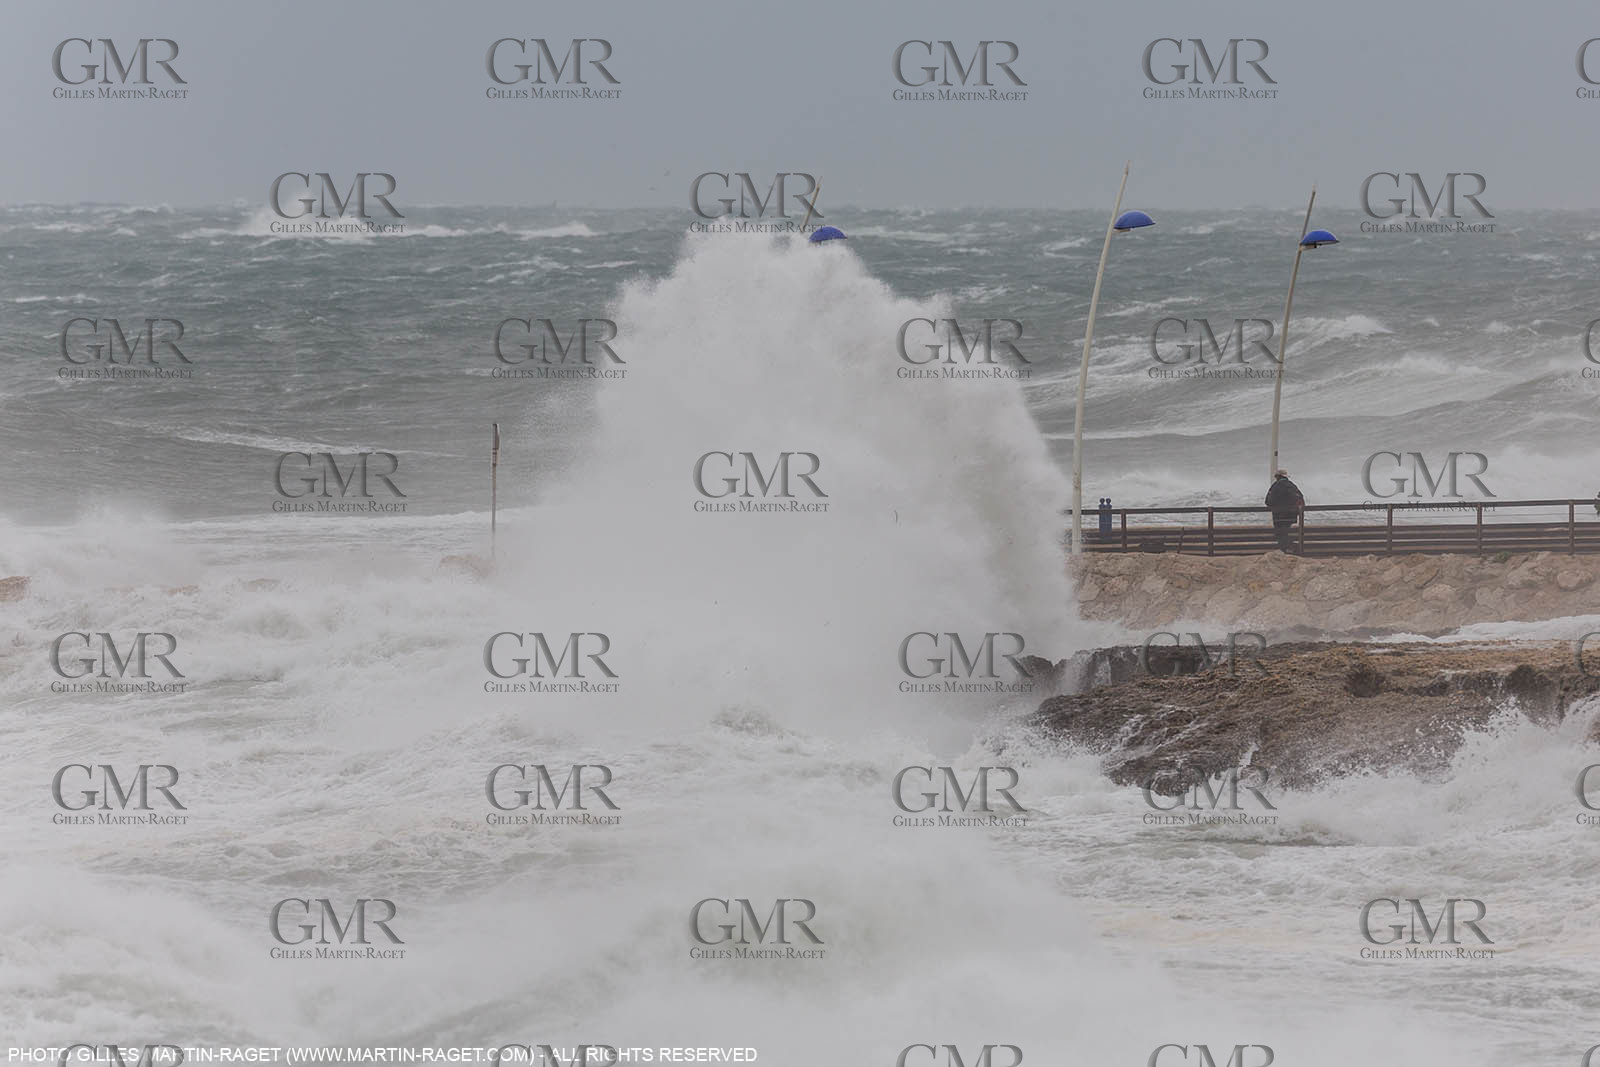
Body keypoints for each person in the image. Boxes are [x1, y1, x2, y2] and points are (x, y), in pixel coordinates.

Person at [1265, 470, 1305, 553]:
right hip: (1291, 515)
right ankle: (1289, 548)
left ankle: (1286, 549)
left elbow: (1268, 501)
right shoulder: (1292, 486)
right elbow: (1300, 499)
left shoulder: (1275, 486)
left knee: (1280, 534)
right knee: (1285, 532)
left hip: (1278, 516)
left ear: (1277, 477)